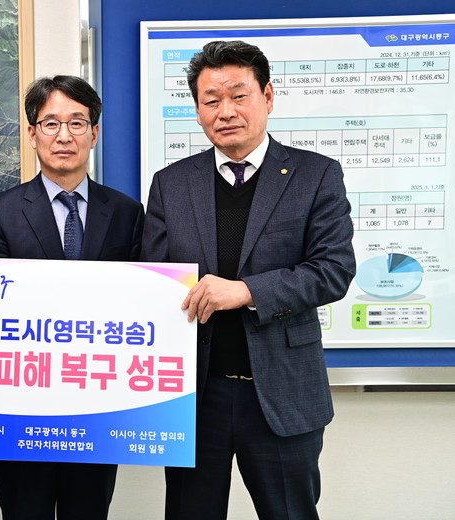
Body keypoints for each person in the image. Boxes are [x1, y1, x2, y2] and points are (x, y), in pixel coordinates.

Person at [141, 41, 356, 520]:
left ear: (268, 96)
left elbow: (333, 270)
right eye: (211, 100)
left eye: (239, 96)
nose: (226, 111)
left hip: (281, 392)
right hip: (195, 397)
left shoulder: (315, 175)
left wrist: (246, 291)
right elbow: (154, 279)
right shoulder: (171, 184)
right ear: (198, 110)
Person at [0, 75, 144, 519]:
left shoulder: (126, 212)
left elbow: (139, 305)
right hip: (21, 410)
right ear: (33, 134)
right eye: (51, 123)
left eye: (76, 123)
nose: (64, 135)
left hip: (97, 409)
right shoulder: (0, 212)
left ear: (94, 133)